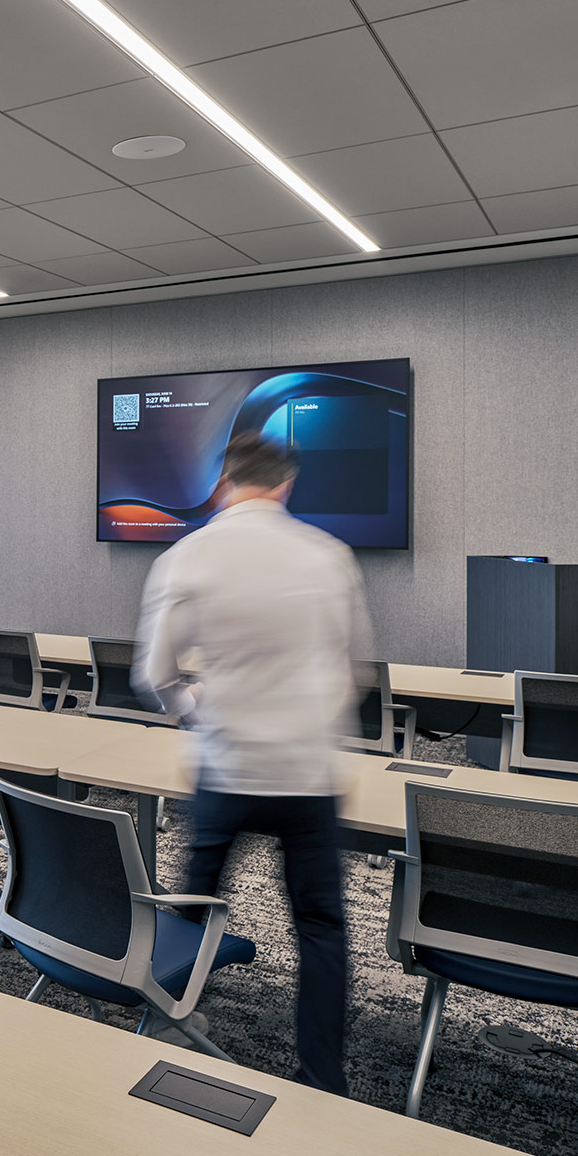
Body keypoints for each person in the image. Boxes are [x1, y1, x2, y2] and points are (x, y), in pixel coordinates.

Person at [133, 433, 372, 1097]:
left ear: (225, 483)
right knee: (322, 927)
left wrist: (198, 710)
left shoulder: (189, 556)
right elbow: (354, 672)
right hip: (307, 769)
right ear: (285, 486)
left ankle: (170, 1025)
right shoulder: (330, 557)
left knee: (192, 907)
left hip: (226, 763)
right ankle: (323, 1077)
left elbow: (154, 674)